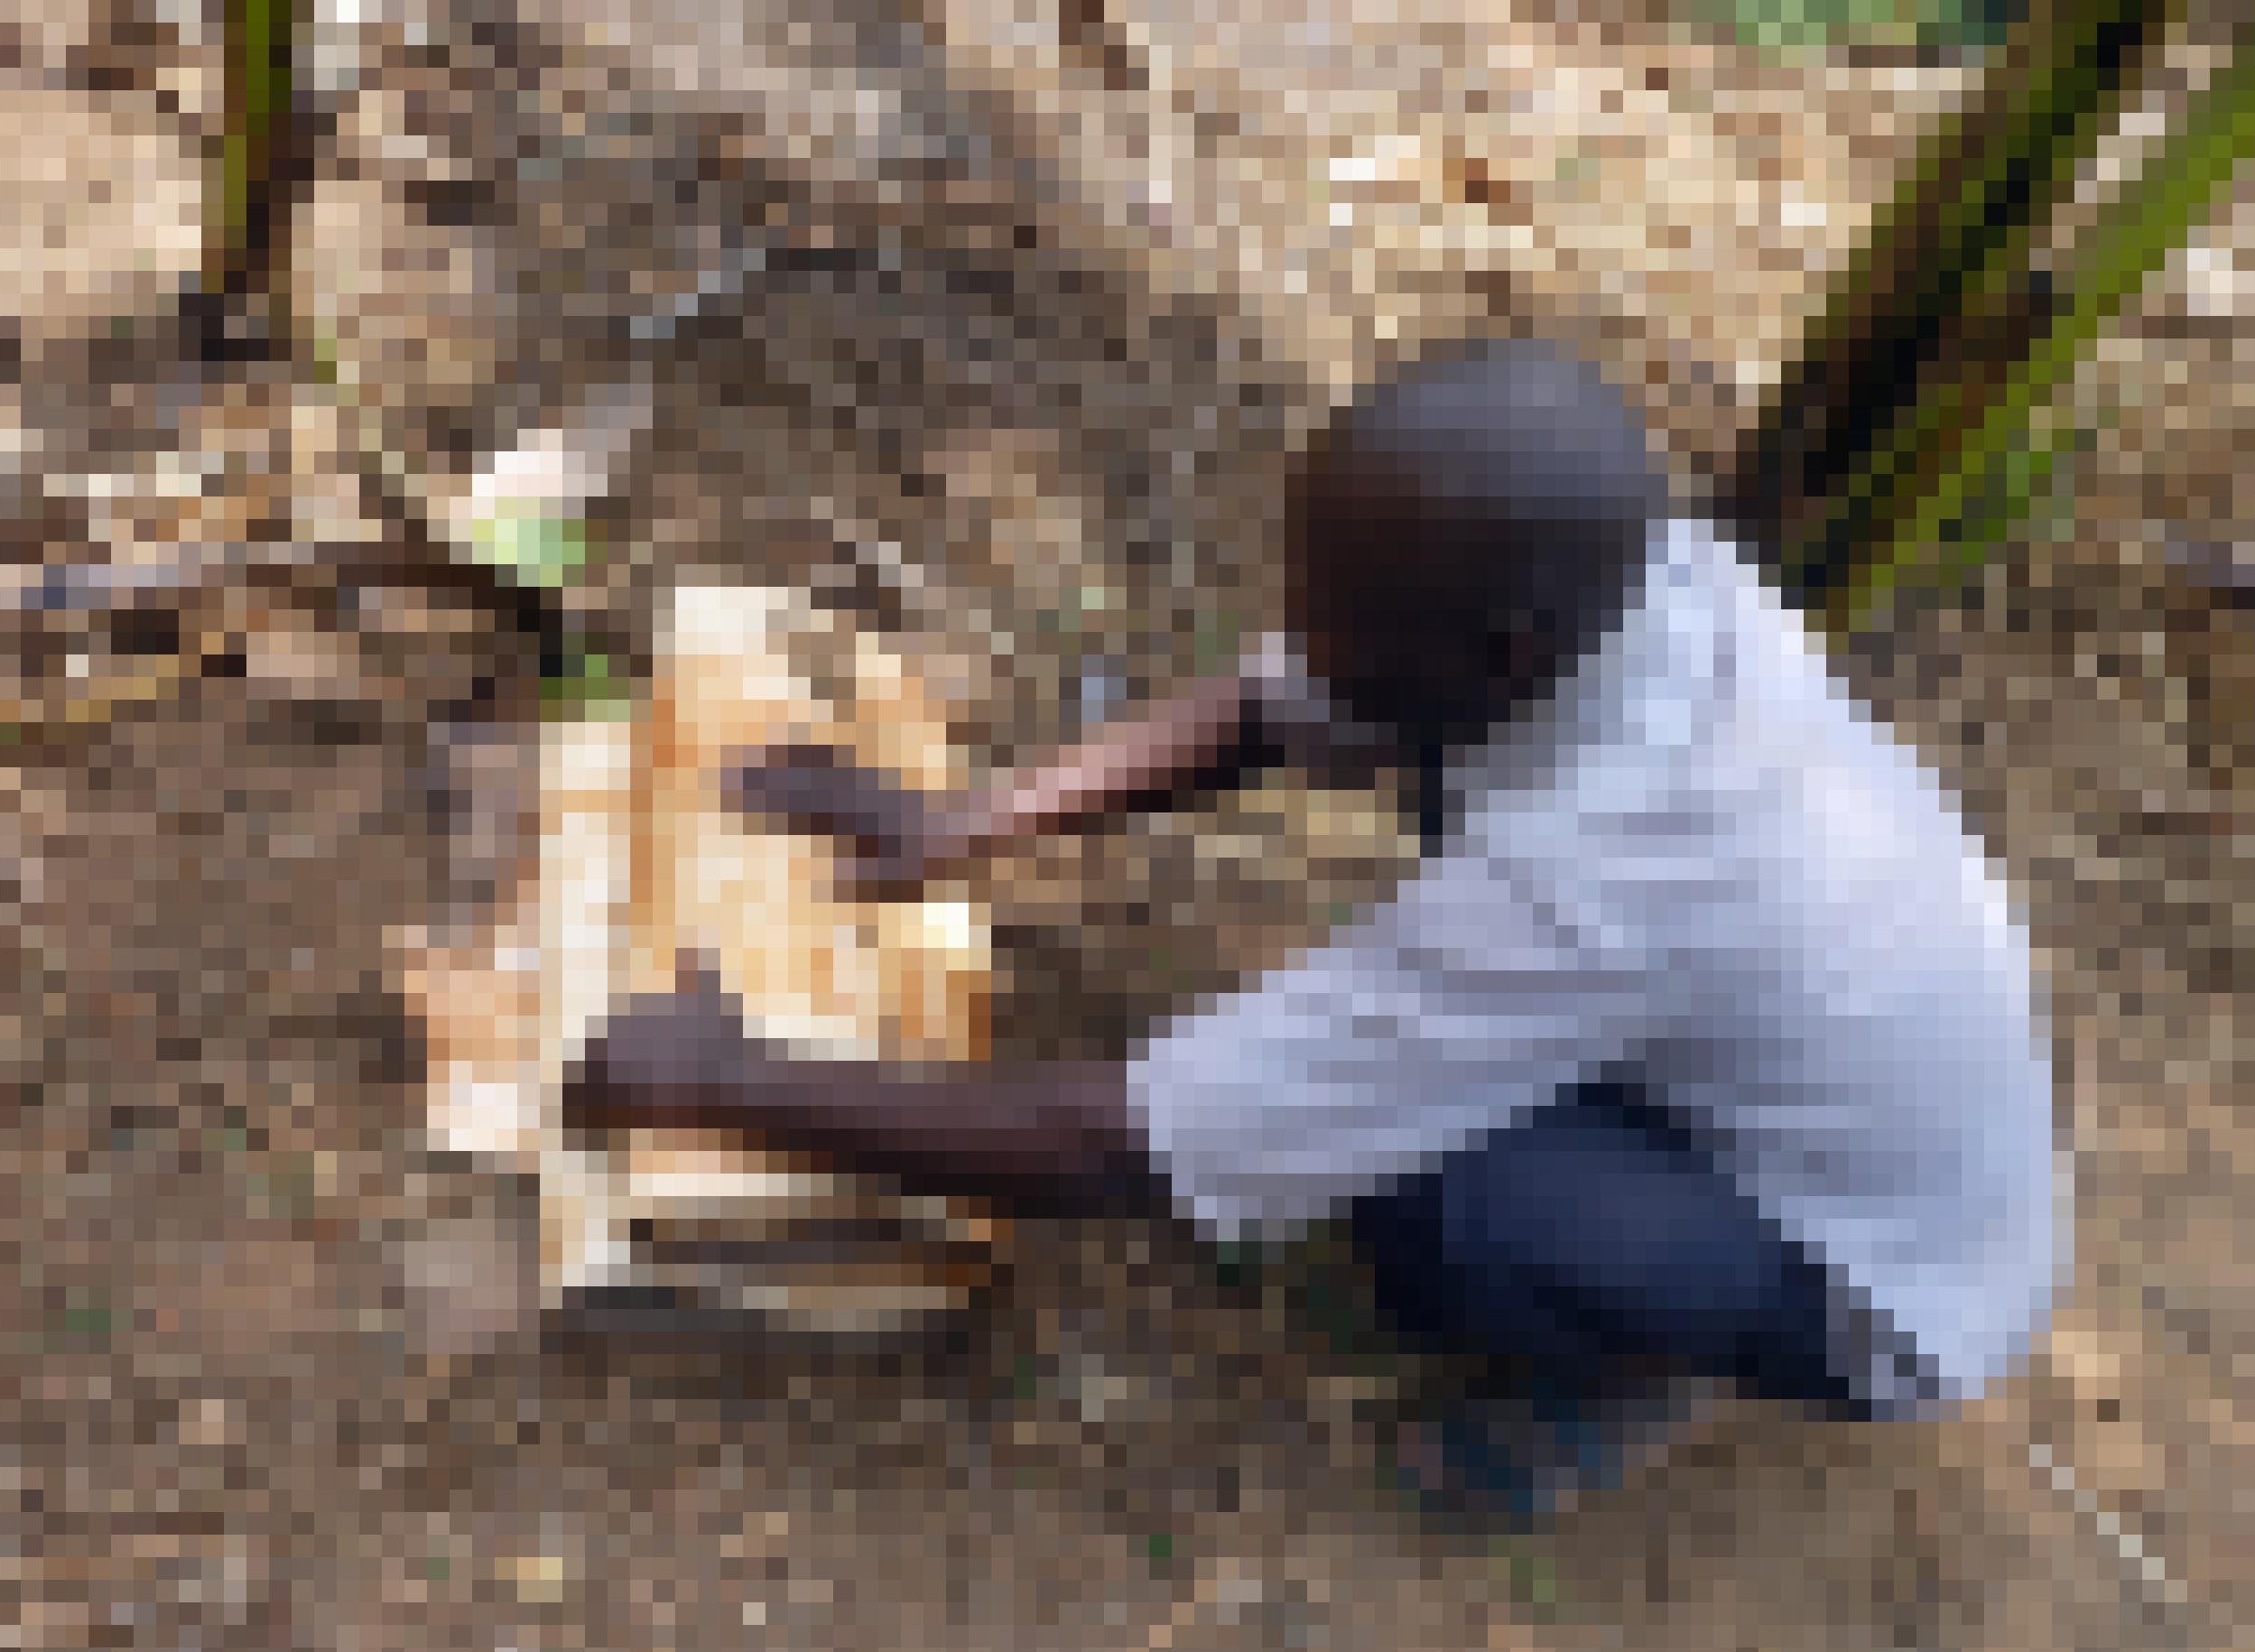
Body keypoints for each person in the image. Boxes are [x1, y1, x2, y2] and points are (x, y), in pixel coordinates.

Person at [562, 339, 2064, 1515]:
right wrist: (971, 821)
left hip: (1880, 1283)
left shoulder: (1603, 874)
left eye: (1342, 624)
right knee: (1416, 818)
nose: (1298, 645)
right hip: (1807, 1090)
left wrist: (724, 1081)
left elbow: (1122, 1145)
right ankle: (1639, 1196)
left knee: (1428, 1208)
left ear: (1507, 646)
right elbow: (1274, 707)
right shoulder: (1631, 587)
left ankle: (1647, 1359)